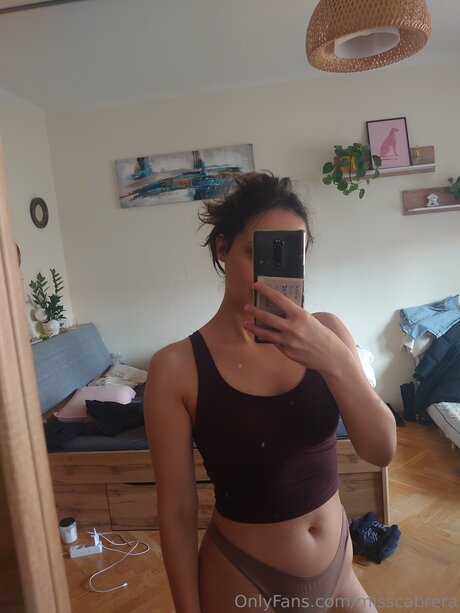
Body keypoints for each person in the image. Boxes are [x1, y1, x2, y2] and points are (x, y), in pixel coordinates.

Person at [144, 171, 397, 613]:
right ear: (222, 248)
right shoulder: (176, 367)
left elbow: (382, 450)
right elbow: (178, 509)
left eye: (291, 255)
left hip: (340, 572)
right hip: (243, 581)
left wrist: (335, 360)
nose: (273, 275)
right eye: (256, 252)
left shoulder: (328, 332)